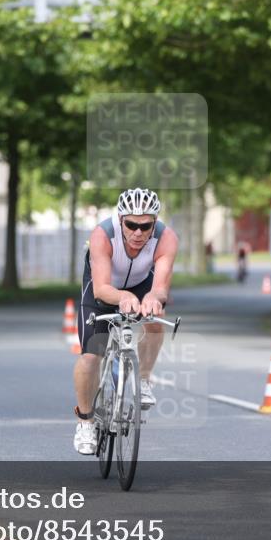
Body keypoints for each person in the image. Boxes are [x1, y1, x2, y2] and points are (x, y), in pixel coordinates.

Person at [72, 188, 179, 455]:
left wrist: (154, 298)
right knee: (90, 356)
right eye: (131, 224)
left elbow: (161, 286)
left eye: (146, 226)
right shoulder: (102, 235)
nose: (138, 233)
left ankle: (142, 380)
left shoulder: (166, 238)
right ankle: (85, 422)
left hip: (142, 284)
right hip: (104, 288)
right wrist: (123, 297)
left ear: (155, 223)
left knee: (155, 319)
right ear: (120, 219)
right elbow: (101, 289)